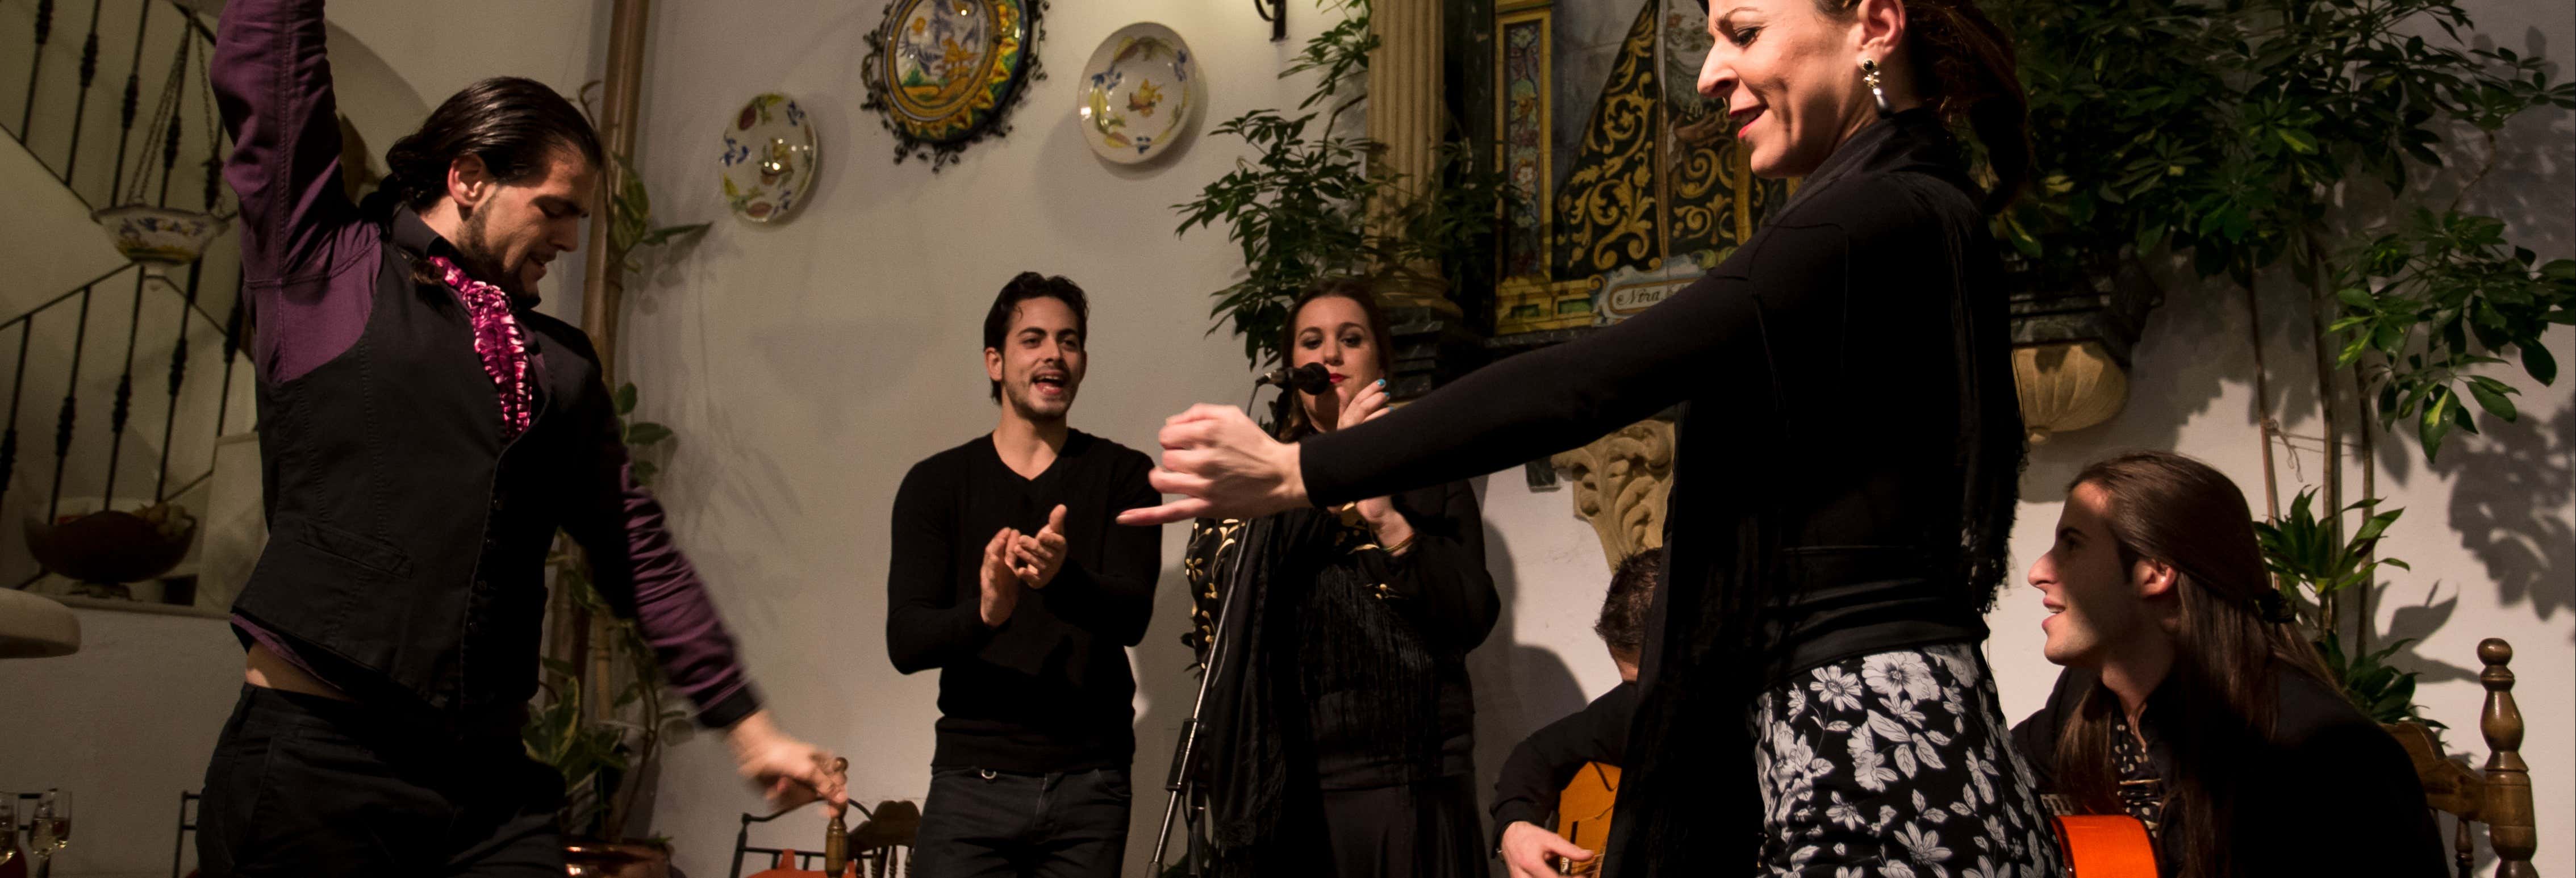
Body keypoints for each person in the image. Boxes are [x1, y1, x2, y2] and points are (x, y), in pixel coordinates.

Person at [1119, 0, 2055, 872]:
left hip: (1875, 737)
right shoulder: (1904, 201)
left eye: (1742, 31)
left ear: (1874, 25)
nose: (1709, 73)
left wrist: (1303, 466)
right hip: (1871, 711)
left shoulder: (1878, 211)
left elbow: (1593, 377)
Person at [201, 1, 844, 873]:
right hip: (317, 766)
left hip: (484, 790)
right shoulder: (327, 271)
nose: (572, 239)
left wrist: (748, 723)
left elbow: (638, 556)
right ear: (467, 176)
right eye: (555, 208)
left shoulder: (563, 368)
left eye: (580, 217)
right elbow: (273, 85)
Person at [1175, 280, 1499, 877]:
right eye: (1311, 342)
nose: (1330, 355)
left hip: (1415, 775)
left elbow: (1471, 613)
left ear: (1381, 361)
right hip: (1291, 784)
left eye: (1350, 340)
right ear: (1291, 370)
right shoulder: (1253, 489)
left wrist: (1386, 518)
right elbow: (1216, 630)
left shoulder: (1430, 466)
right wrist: (1330, 470)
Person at [2009, 451, 2445, 877]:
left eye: (2072, 545)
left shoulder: (2323, 756)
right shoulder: (2084, 698)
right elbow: (1984, 785)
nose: (2038, 571)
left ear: (2155, 573)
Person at [885, 273, 1160, 878]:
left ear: (1082, 361)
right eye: (1032, 339)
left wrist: (1060, 578)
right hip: (970, 784)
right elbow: (905, 641)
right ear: (994, 361)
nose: (1052, 355)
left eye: (1068, 341)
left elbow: (1132, 614)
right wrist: (986, 610)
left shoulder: (1124, 475)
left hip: (1090, 785)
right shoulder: (936, 485)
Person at [1492, 550, 1658, 878]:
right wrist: (1514, 828)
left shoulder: (1777, 717)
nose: (1640, 700)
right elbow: (1537, 753)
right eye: (1631, 686)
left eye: (1649, 684)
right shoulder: (1636, 706)